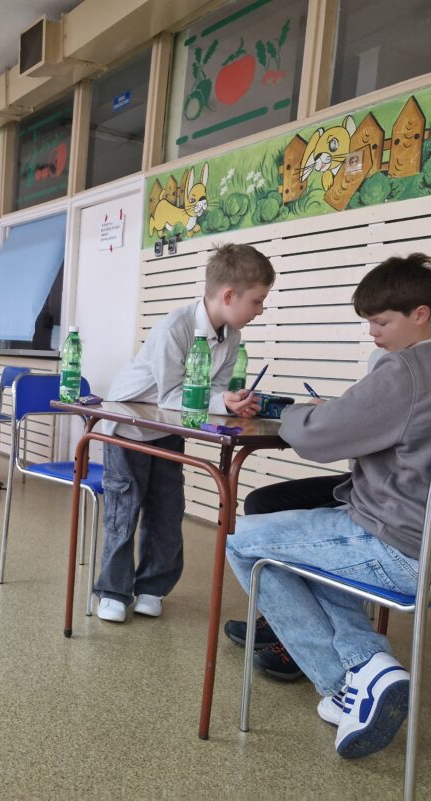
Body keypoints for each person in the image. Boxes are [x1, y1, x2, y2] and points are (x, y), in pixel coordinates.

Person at [225, 197, 431, 760]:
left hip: (406, 553)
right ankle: (369, 665)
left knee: (245, 542)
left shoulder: (420, 366)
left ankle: (347, 681)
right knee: (319, 549)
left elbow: (320, 437)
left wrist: (293, 413)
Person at [225, 254, 431, 680]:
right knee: (265, 501)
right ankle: (292, 623)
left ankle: (327, 661)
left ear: (421, 314)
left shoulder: (407, 369)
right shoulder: (423, 364)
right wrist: (341, 411)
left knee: (250, 529)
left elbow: (330, 437)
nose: (373, 333)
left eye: (381, 323)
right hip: (398, 492)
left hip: (391, 501)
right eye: (369, 323)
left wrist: (303, 414)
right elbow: (377, 419)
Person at [94, 243, 276, 623]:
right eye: (257, 301)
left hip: (167, 427)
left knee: (167, 511)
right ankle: (112, 590)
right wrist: (219, 401)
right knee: (124, 512)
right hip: (128, 427)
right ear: (229, 295)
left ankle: (151, 587)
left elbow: (212, 392)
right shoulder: (174, 328)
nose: (260, 310)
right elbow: (171, 395)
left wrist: (231, 401)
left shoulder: (232, 337)